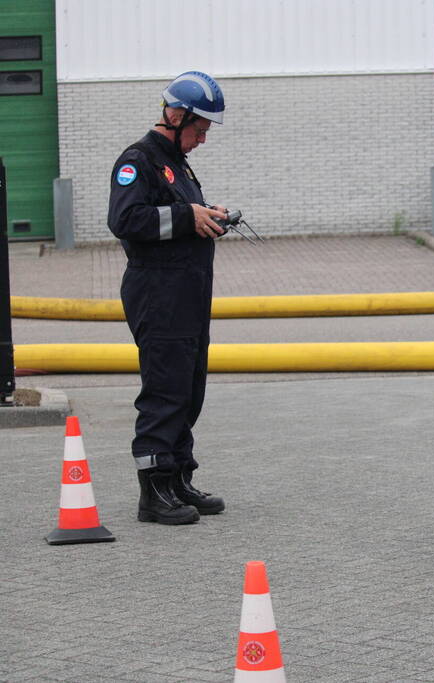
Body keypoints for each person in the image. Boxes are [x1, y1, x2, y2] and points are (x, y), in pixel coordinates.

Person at [107, 71, 229, 525]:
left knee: (189, 387)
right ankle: (153, 492)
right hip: (158, 295)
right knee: (165, 390)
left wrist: (207, 214)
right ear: (175, 115)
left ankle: (178, 478)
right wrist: (185, 216)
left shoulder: (177, 162)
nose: (202, 139)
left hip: (187, 295)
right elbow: (126, 219)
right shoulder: (137, 160)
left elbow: (180, 214)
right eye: (199, 129)